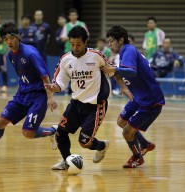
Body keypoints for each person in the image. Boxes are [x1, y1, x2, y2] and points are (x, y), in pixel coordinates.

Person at [45, 26, 133, 170]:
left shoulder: (95, 55)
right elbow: (60, 82)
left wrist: (123, 87)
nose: (75, 47)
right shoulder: (65, 59)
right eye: (72, 44)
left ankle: (103, 145)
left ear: (85, 42)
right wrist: (53, 88)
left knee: (84, 142)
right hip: (76, 104)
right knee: (60, 133)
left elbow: (113, 71)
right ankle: (66, 161)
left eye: (78, 44)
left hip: (95, 105)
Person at [0, 22, 58, 159]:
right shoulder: (11, 55)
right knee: (1, 122)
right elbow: (23, 74)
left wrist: (50, 96)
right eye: (5, 39)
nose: (8, 42)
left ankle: (53, 131)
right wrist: (19, 89)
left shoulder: (30, 53)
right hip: (22, 95)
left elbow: (45, 76)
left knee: (28, 133)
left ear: (18, 37)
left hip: (37, 96)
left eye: (11, 38)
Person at [106, 25, 165, 168]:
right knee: (121, 121)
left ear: (121, 40)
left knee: (127, 133)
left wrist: (113, 69)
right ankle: (144, 144)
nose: (109, 44)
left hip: (150, 101)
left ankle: (138, 157)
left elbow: (131, 71)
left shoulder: (129, 50)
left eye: (111, 41)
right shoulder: (126, 52)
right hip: (139, 97)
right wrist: (124, 86)